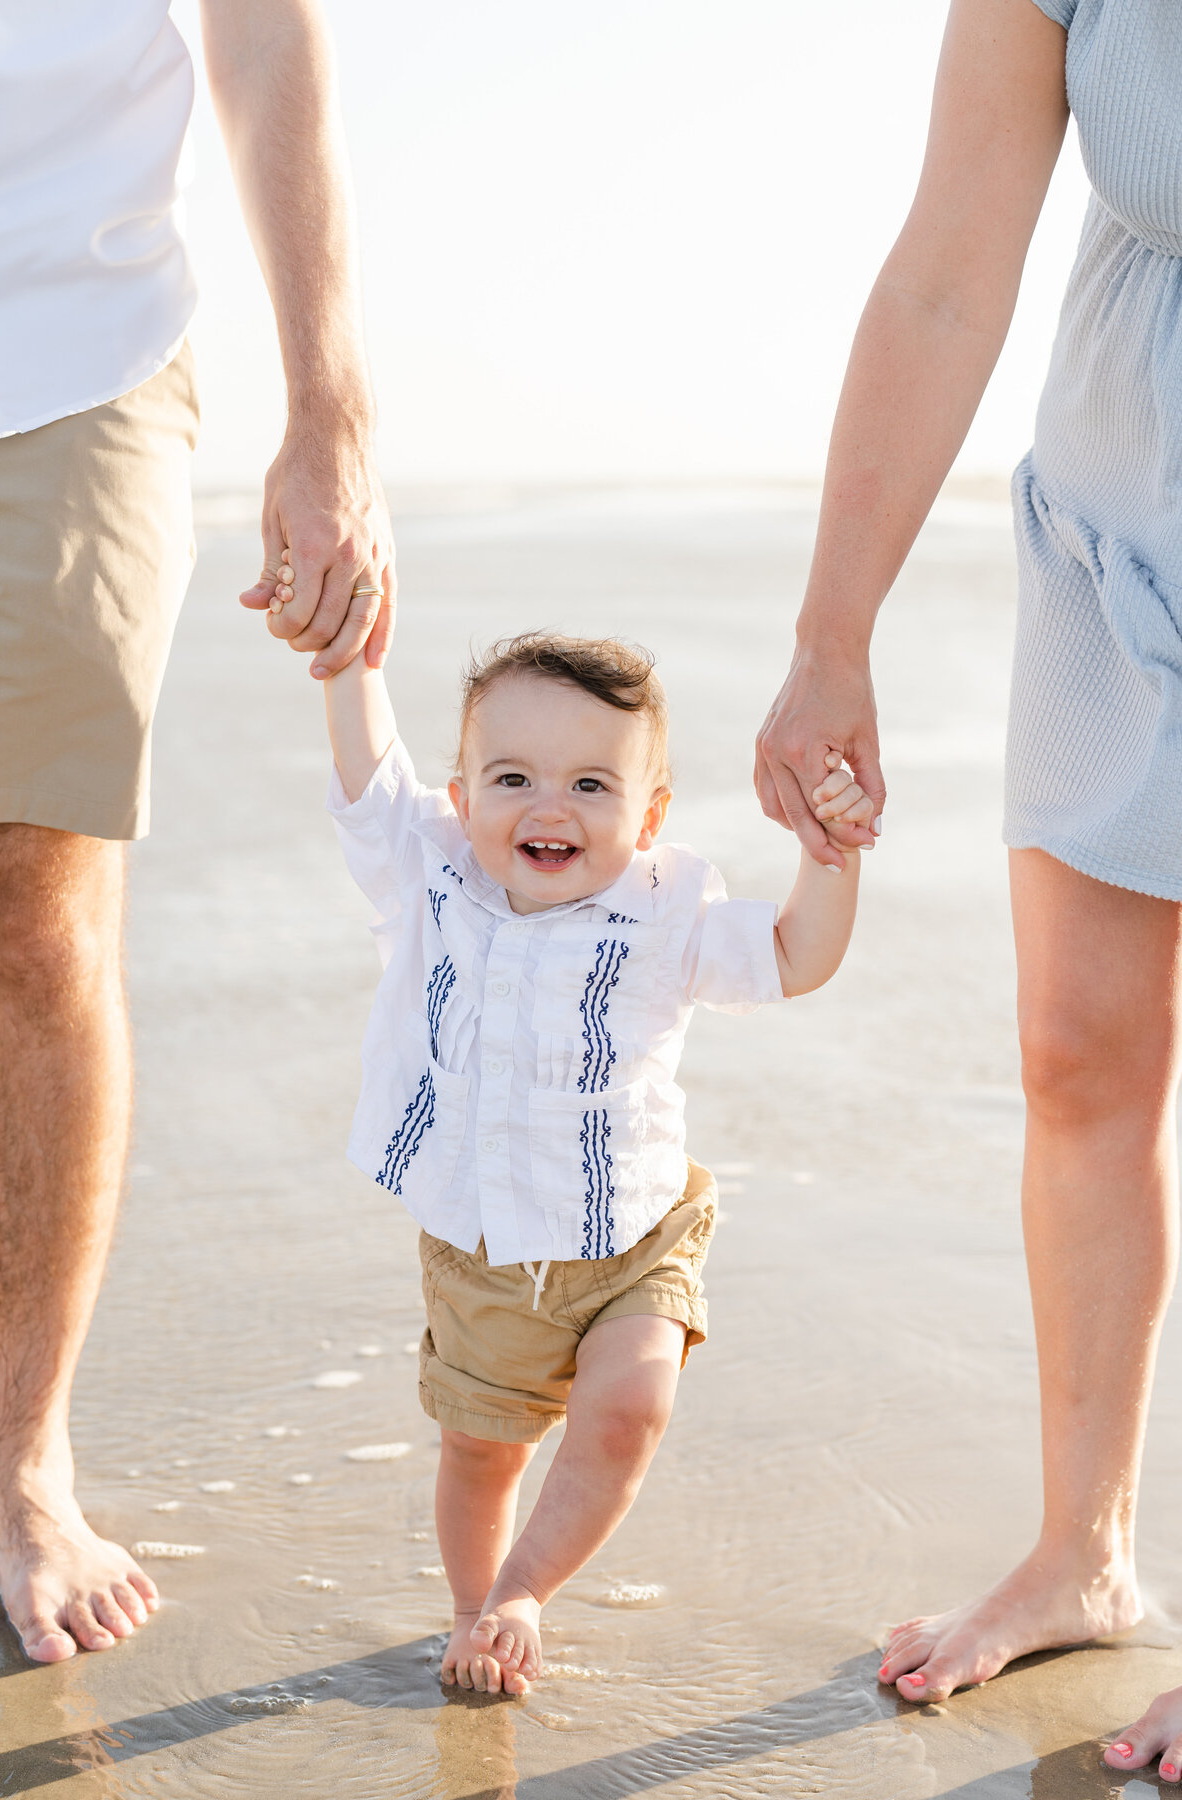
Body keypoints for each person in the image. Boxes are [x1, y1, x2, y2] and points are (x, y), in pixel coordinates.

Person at [754, 0, 1182, 1778]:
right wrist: (829, 633)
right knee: (1078, 1055)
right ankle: (1084, 1552)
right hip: (1120, 509)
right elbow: (948, 269)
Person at [0, 0, 394, 1662]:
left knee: (28, 905)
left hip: (67, 344)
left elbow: (264, 29)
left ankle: (18, 1458)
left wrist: (332, 409)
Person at [308, 624, 871, 1694]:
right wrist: (351, 662)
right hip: (480, 1250)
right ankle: (476, 1618)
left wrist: (828, 853)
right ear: (462, 795)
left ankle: (525, 1590)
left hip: (635, 1236)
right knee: (482, 1454)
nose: (550, 807)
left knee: (631, 1407)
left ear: (649, 816)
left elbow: (799, 955)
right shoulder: (428, 875)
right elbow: (367, 779)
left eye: (591, 784)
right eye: (512, 776)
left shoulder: (669, 910)